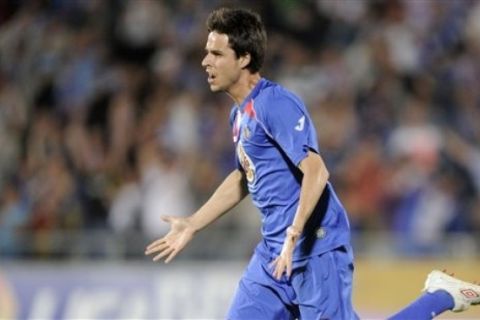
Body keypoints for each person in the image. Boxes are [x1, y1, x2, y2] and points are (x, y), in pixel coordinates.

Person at [145, 7, 480, 320]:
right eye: (207, 51)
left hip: (316, 247)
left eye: (216, 53)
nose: (205, 61)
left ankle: (439, 296)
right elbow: (244, 177)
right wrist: (193, 223)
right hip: (273, 256)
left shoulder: (275, 104)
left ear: (244, 58)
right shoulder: (239, 114)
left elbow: (316, 171)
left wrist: (293, 236)